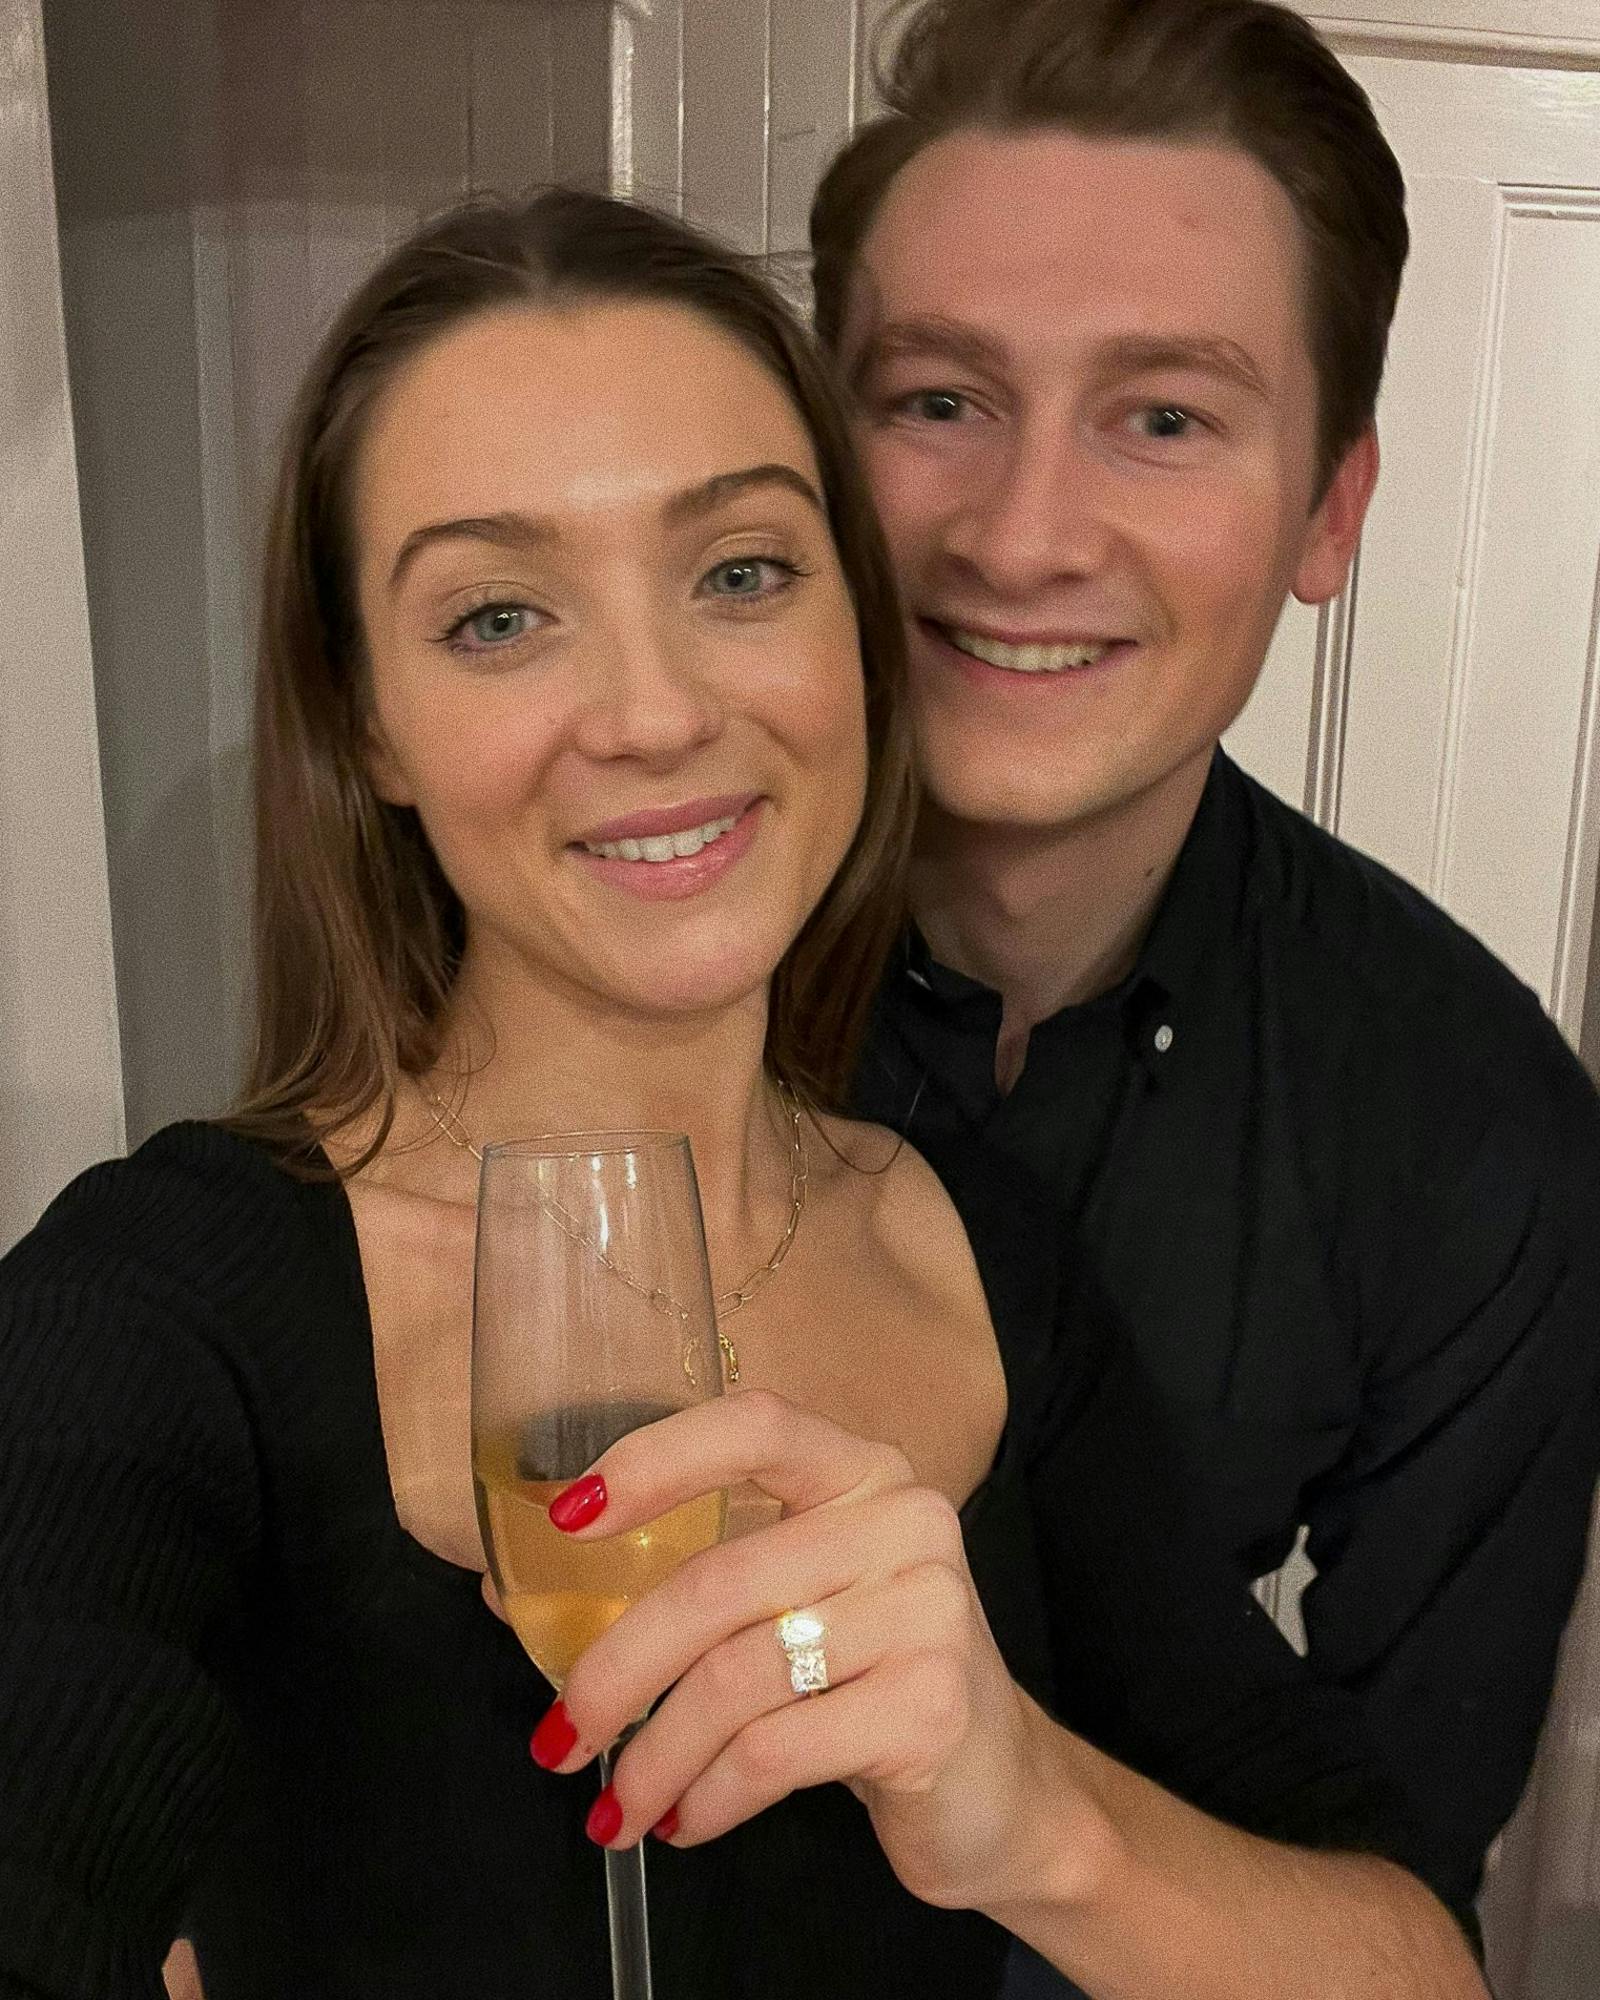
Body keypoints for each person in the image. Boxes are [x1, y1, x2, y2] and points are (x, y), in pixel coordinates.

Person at [0, 189, 1488, 2000]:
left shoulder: (980, 1252)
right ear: (366, 719)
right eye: (497, 616)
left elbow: (1416, 1960)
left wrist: (1041, 1819)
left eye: (740, 574)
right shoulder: (162, 1297)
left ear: (857, 631)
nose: (653, 713)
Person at [812, 0, 1600, 1936]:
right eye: (937, 401)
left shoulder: (1476, 1137)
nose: (1019, 538)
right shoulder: (589, 966)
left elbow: (1390, 1905)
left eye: (1161, 417)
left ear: (1330, 511)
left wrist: (1034, 1824)